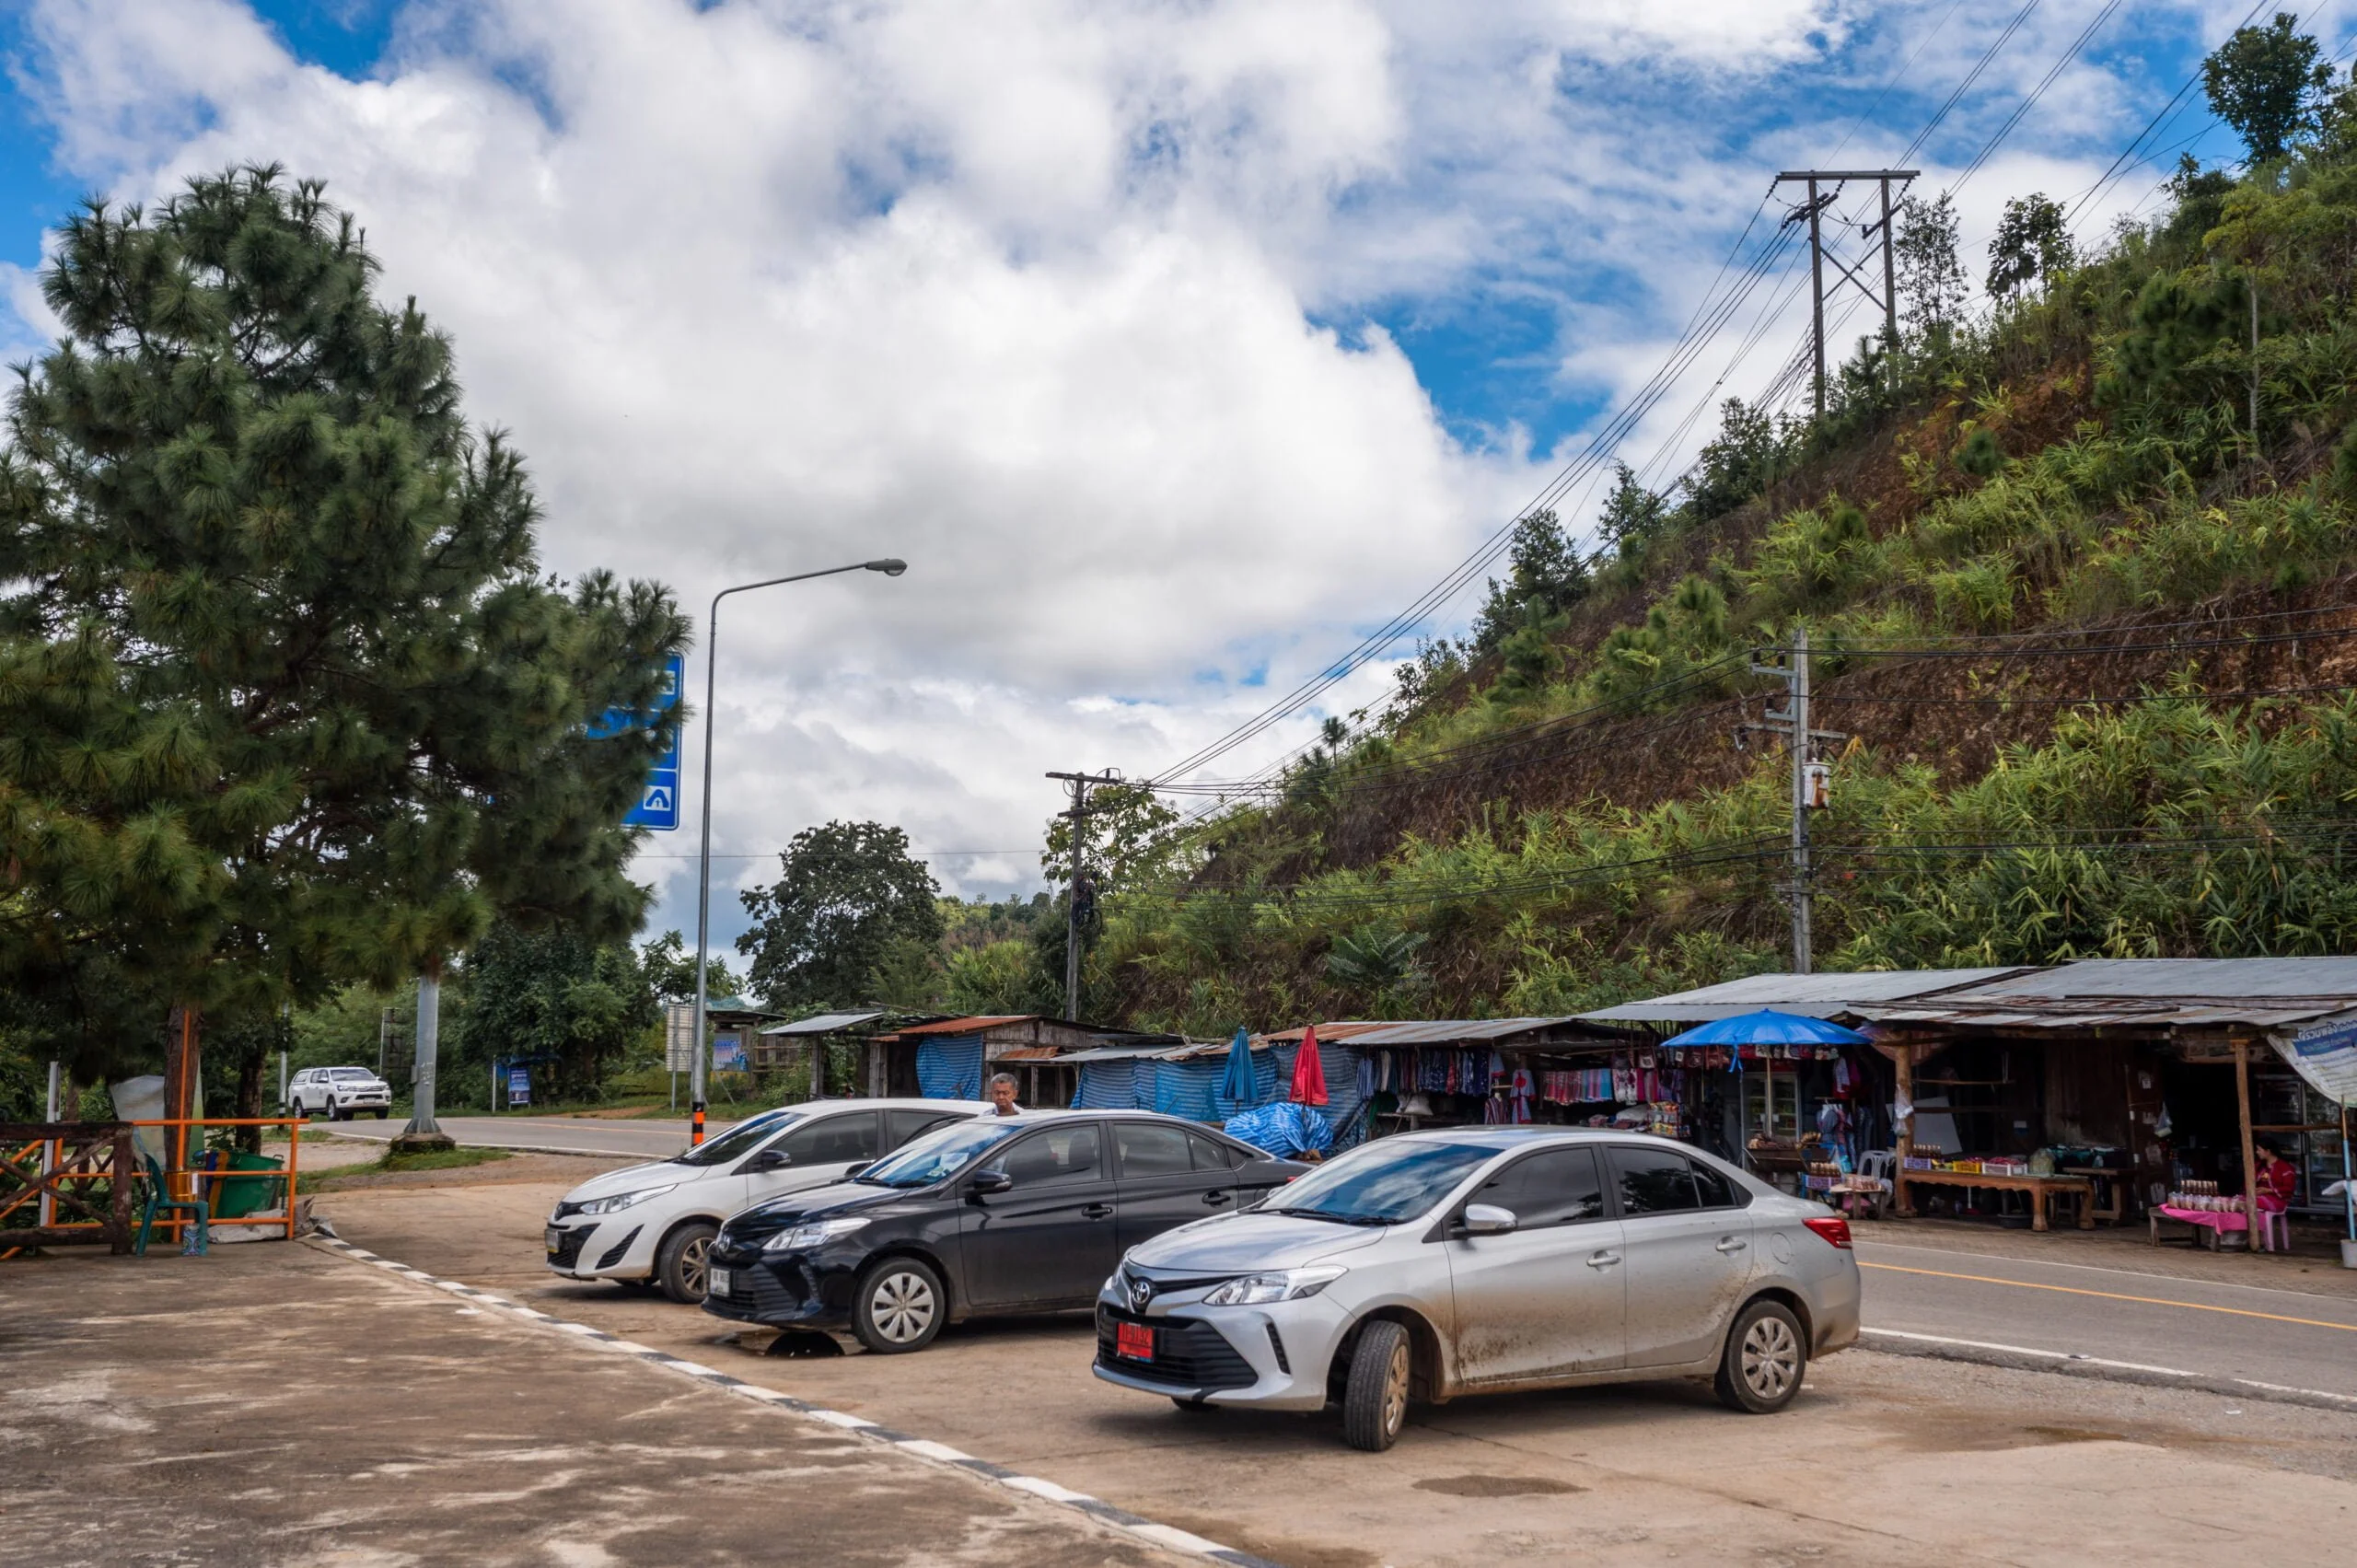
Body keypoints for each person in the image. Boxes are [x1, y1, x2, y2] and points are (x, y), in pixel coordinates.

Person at [2254, 1144, 2298, 1213]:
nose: (2257, 1152)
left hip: (2278, 1201)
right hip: (2257, 1198)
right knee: (2234, 1201)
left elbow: (2289, 1188)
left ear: (2268, 1151)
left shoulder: (2285, 1167)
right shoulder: (2259, 1166)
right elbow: (2250, 1182)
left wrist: (2268, 1190)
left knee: (2248, 1203)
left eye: (2259, 1150)